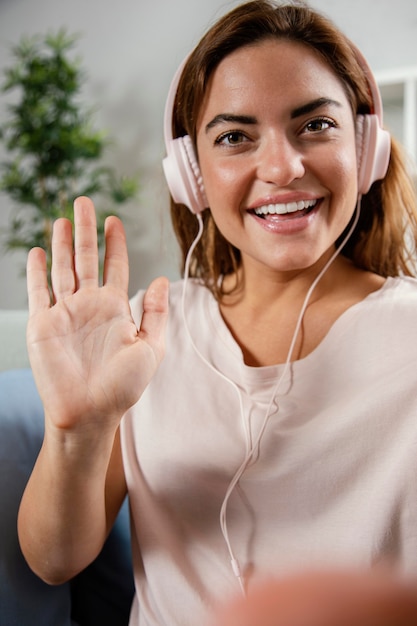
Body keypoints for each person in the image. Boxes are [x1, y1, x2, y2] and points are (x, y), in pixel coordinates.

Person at [17, 1, 417, 624]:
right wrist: (79, 430)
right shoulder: (140, 336)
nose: (282, 167)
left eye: (315, 125)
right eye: (235, 137)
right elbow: (54, 559)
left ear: (365, 148)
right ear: (191, 174)